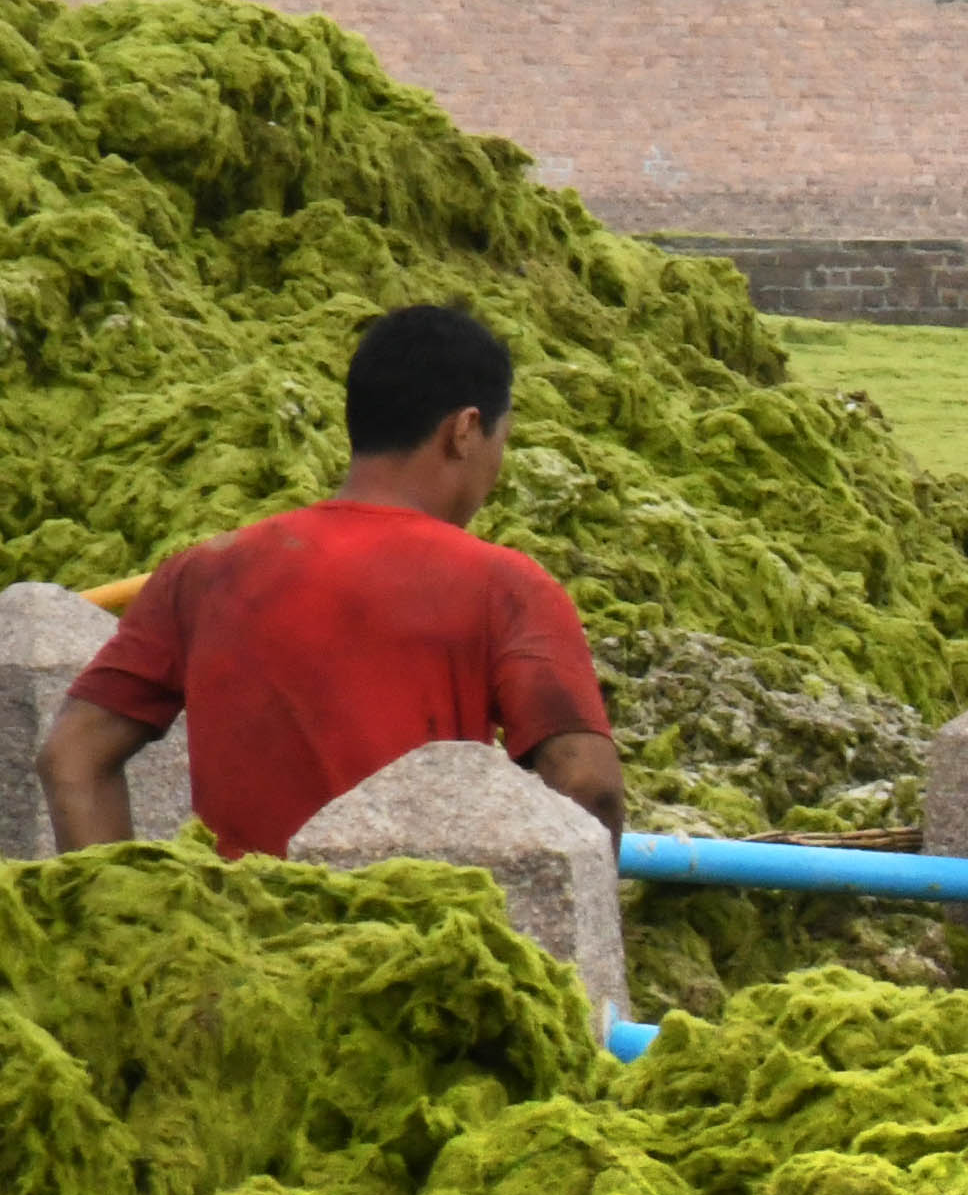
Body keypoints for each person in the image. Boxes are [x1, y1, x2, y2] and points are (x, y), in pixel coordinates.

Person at [40, 301, 617, 856]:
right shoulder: (506, 586)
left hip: (240, 937)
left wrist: (127, 920)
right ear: (465, 430)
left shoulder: (203, 572)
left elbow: (72, 752)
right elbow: (588, 784)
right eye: (501, 440)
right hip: (424, 936)